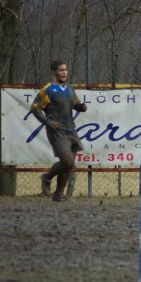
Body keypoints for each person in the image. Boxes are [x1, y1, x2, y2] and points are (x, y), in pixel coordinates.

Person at [30, 60, 87, 201]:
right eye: (61, 70)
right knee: (67, 161)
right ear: (54, 72)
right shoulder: (47, 89)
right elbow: (35, 108)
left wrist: (81, 107)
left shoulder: (69, 88)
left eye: (66, 70)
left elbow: (75, 104)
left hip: (71, 130)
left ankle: (58, 194)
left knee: (69, 164)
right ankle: (47, 177)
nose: (64, 72)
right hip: (57, 130)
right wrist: (47, 122)